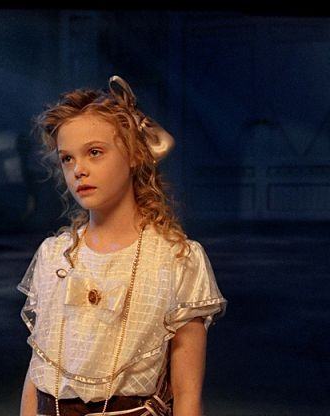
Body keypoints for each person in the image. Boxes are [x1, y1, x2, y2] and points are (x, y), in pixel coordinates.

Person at [18, 76, 227, 416]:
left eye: (94, 152)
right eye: (67, 158)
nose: (79, 170)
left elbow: (187, 394)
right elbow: (38, 369)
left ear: (133, 155)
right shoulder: (54, 255)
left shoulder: (177, 258)